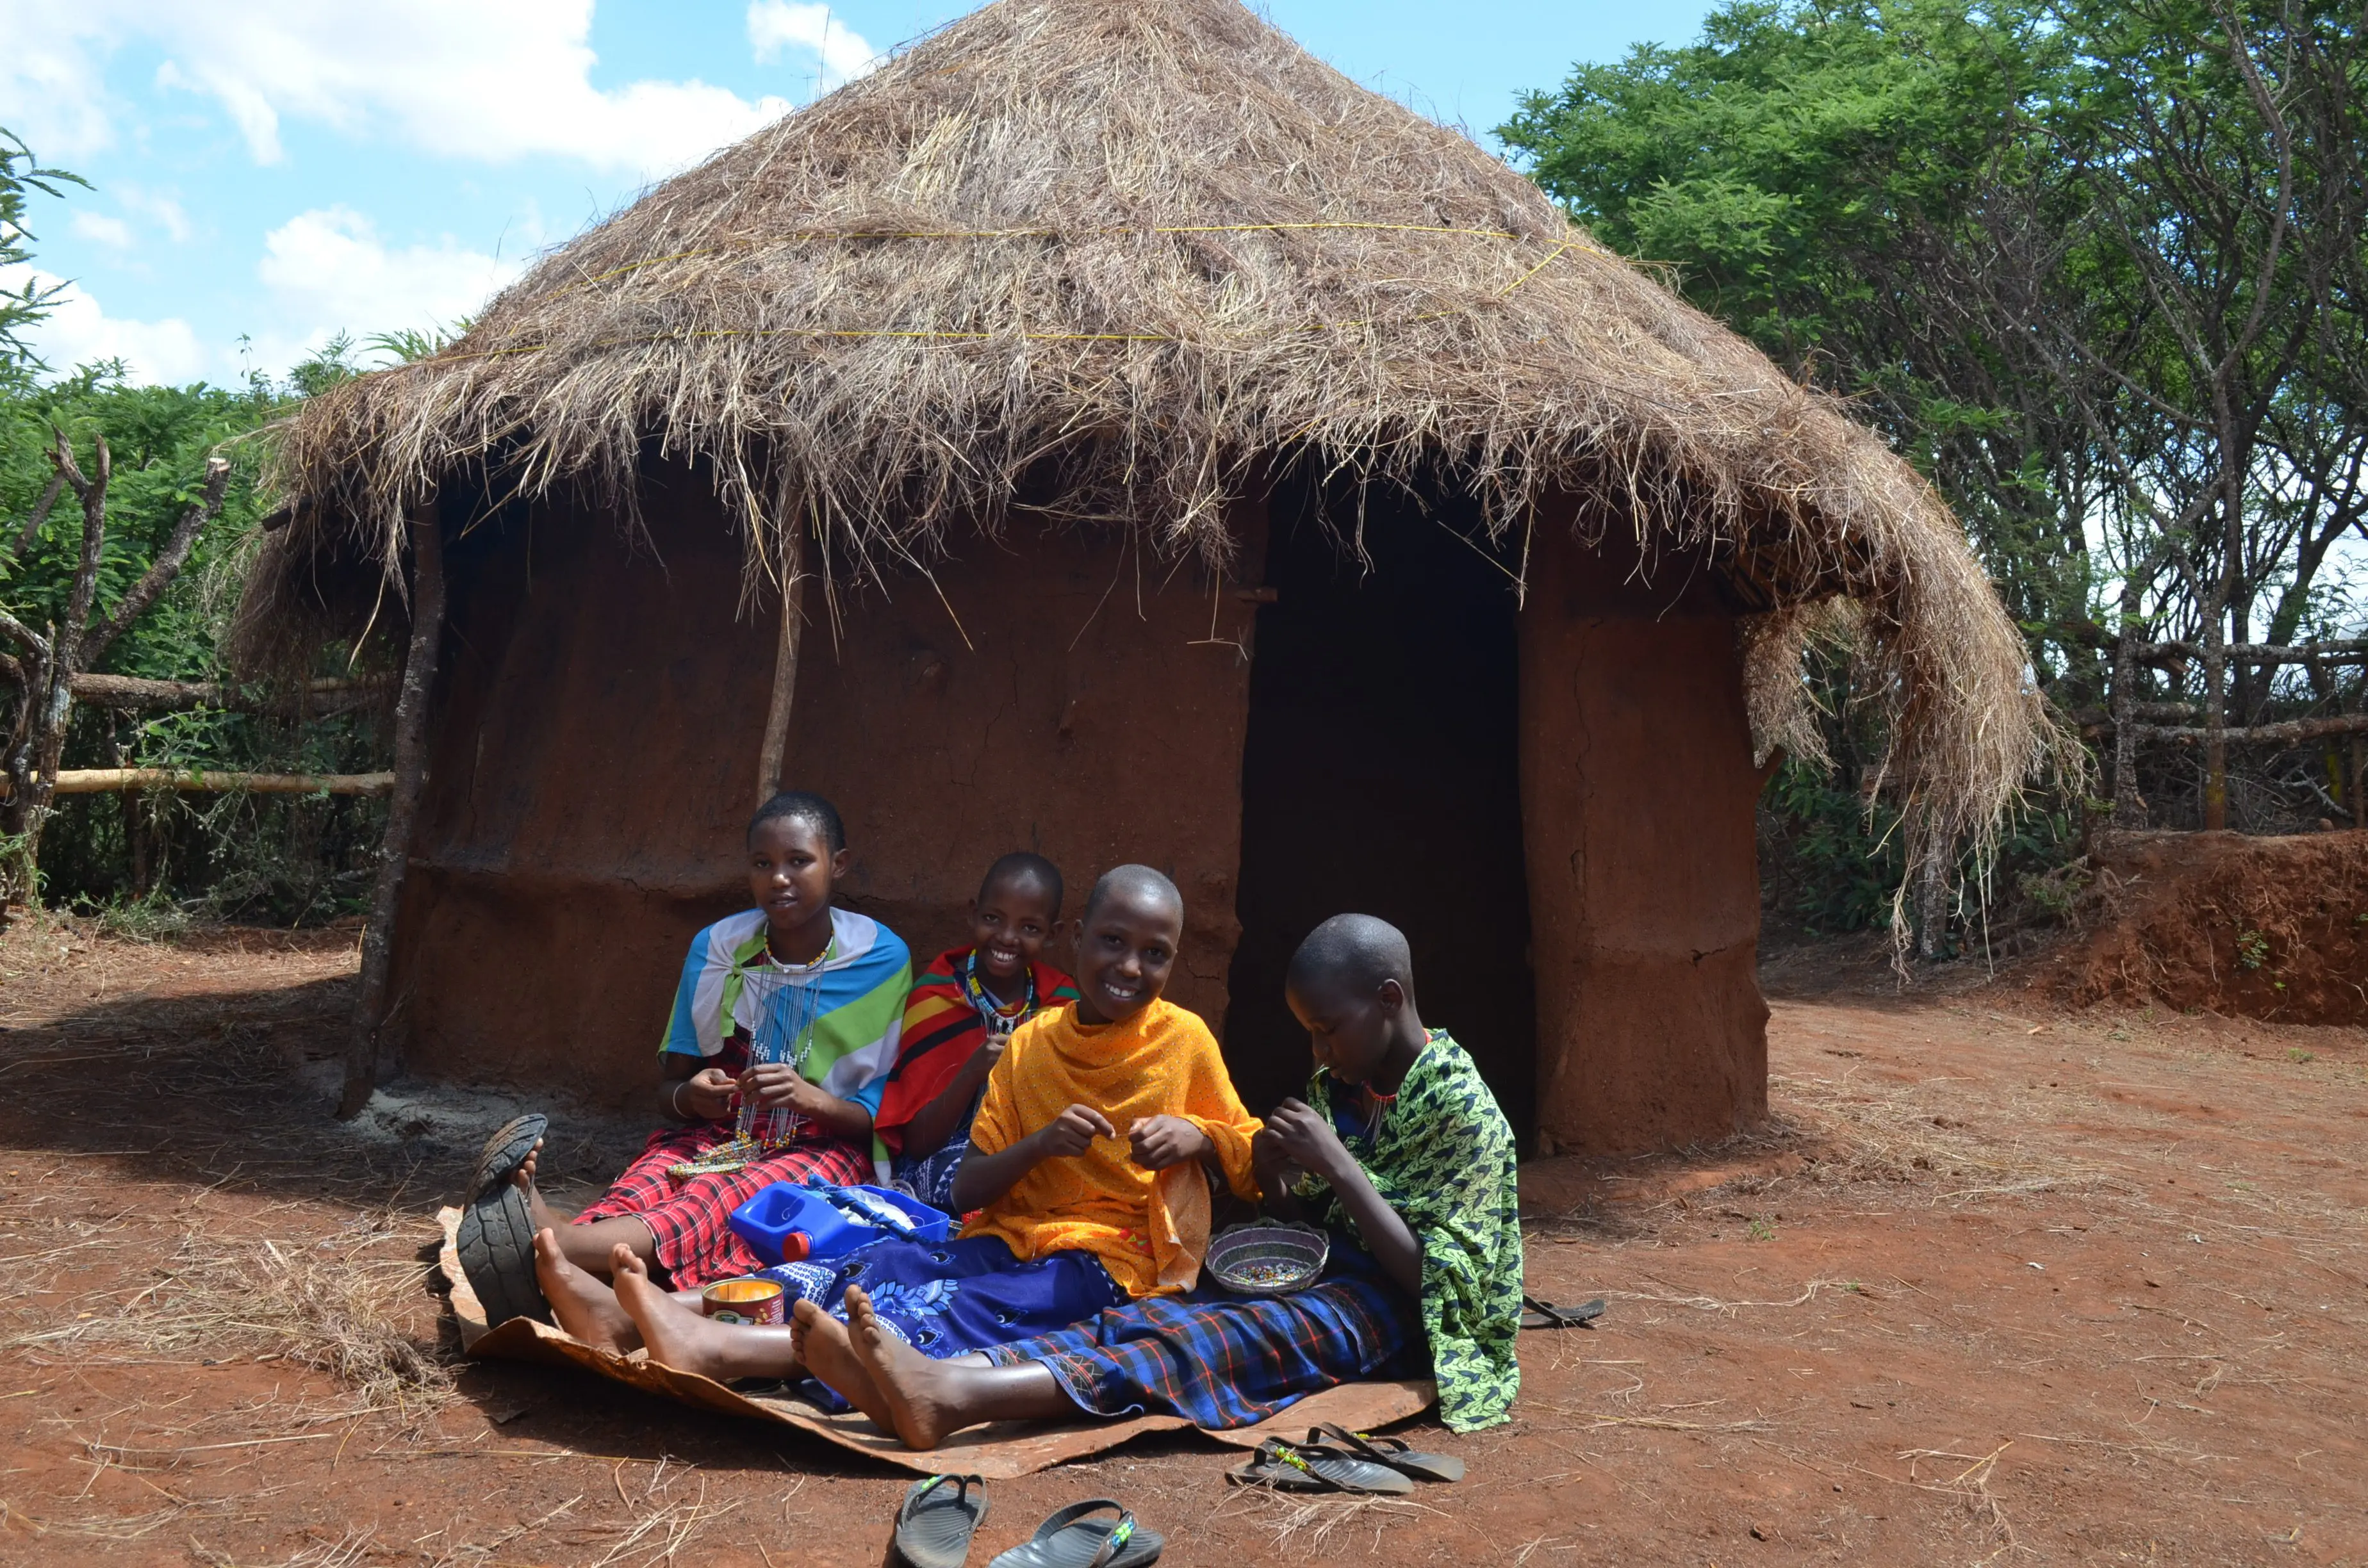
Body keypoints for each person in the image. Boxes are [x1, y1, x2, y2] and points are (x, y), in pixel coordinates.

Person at [782, 912, 1523, 1446]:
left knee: (1211, 1344)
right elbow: (1305, 1217)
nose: (1320, 1052)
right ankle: (944, 1381)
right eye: (1312, 1034)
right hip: (1325, 1271)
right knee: (1153, 1319)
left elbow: (1437, 1283)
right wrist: (1273, 1176)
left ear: (1390, 1001)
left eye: (1328, 1029)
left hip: (1401, 1312)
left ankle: (956, 1395)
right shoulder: (1349, 1082)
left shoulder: (1464, 1111)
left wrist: (1336, 1164)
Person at [532, 864, 1265, 1383]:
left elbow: (1250, 1149)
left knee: (947, 1309)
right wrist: (1040, 1146)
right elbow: (969, 1185)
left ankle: (722, 1350)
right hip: (1008, 1234)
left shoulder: (1185, 1043)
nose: (1131, 967)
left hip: (1117, 1263)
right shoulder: (1035, 1043)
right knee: (877, 1265)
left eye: (1155, 954)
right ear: (1080, 938)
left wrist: (1200, 1137)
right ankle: (652, 1314)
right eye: (1114, 941)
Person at [488, 791, 912, 1296]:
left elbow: (883, 1123)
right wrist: (692, 1096)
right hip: (721, 1136)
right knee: (655, 1179)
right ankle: (574, 1249)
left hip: (822, 1147)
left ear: (838, 865)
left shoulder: (878, 959)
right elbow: (670, 1094)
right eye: (763, 863)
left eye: (799, 861)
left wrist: (808, 1098)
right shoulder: (719, 949)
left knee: (719, 1198)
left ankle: (557, 1246)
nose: (779, 878)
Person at [876, 853, 1079, 1211]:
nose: (1007, 937)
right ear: (973, 914)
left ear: (1053, 934)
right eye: (992, 919)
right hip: (944, 1163)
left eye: (1029, 928)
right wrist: (973, 1070)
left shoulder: (1062, 1007)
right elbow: (917, 1144)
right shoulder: (934, 999)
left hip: (1034, 1152)